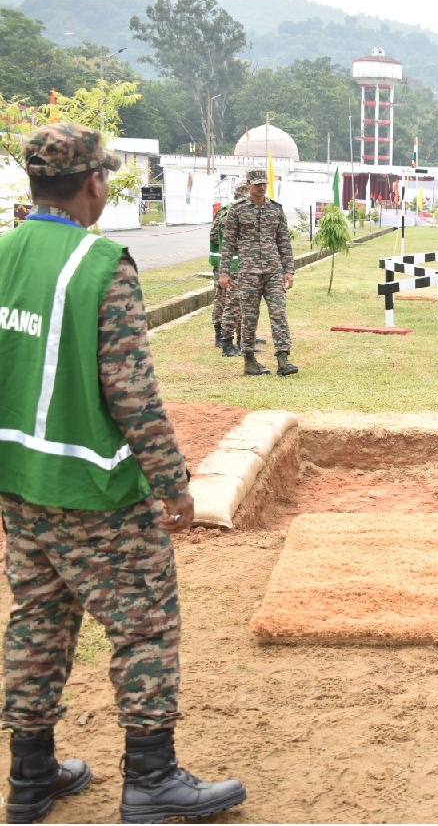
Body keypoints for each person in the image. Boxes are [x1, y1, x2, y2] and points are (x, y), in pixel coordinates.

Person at [0, 123, 246, 824]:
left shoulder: (2, 253)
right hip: (97, 492)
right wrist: (174, 484)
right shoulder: (102, 264)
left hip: (20, 482)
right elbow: (132, 394)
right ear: (92, 183)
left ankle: (31, 775)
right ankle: (151, 778)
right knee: (143, 625)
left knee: (38, 619)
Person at [220, 168, 298, 377]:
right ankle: (249, 360)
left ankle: (283, 359)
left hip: (273, 271)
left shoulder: (275, 209)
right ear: (248, 185)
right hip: (248, 273)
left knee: (279, 313)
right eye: (257, 184)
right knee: (249, 318)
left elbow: (284, 241)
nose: (262, 187)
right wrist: (224, 273)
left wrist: (289, 269)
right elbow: (227, 244)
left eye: (264, 183)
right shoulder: (237, 210)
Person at [209, 182, 248, 357]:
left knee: (233, 302)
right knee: (228, 302)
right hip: (230, 266)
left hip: (231, 264)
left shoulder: (226, 210)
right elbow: (224, 240)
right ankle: (224, 339)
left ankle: (242, 339)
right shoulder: (230, 213)